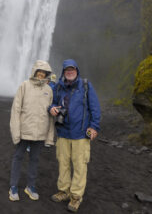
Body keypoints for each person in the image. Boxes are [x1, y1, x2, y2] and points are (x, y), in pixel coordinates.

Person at [49, 59, 101, 212]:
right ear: (63, 72)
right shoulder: (58, 87)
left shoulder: (85, 86)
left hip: (80, 134)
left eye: (72, 70)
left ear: (77, 71)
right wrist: (51, 108)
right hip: (63, 133)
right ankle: (63, 191)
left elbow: (95, 107)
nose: (70, 72)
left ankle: (76, 197)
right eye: (67, 70)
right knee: (63, 163)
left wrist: (94, 126)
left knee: (79, 166)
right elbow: (51, 102)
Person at [9, 60, 54, 202]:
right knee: (18, 158)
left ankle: (30, 186)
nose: (41, 75)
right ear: (35, 72)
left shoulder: (49, 90)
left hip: (40, 133)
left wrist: (49, 138)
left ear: (47, 74)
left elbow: (51, 117)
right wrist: (15, 133)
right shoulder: (24, 86)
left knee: (34, 160)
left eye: (44, 73)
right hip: (24, 131)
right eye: (39, 72)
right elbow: (15, 110)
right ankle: (13, 187)